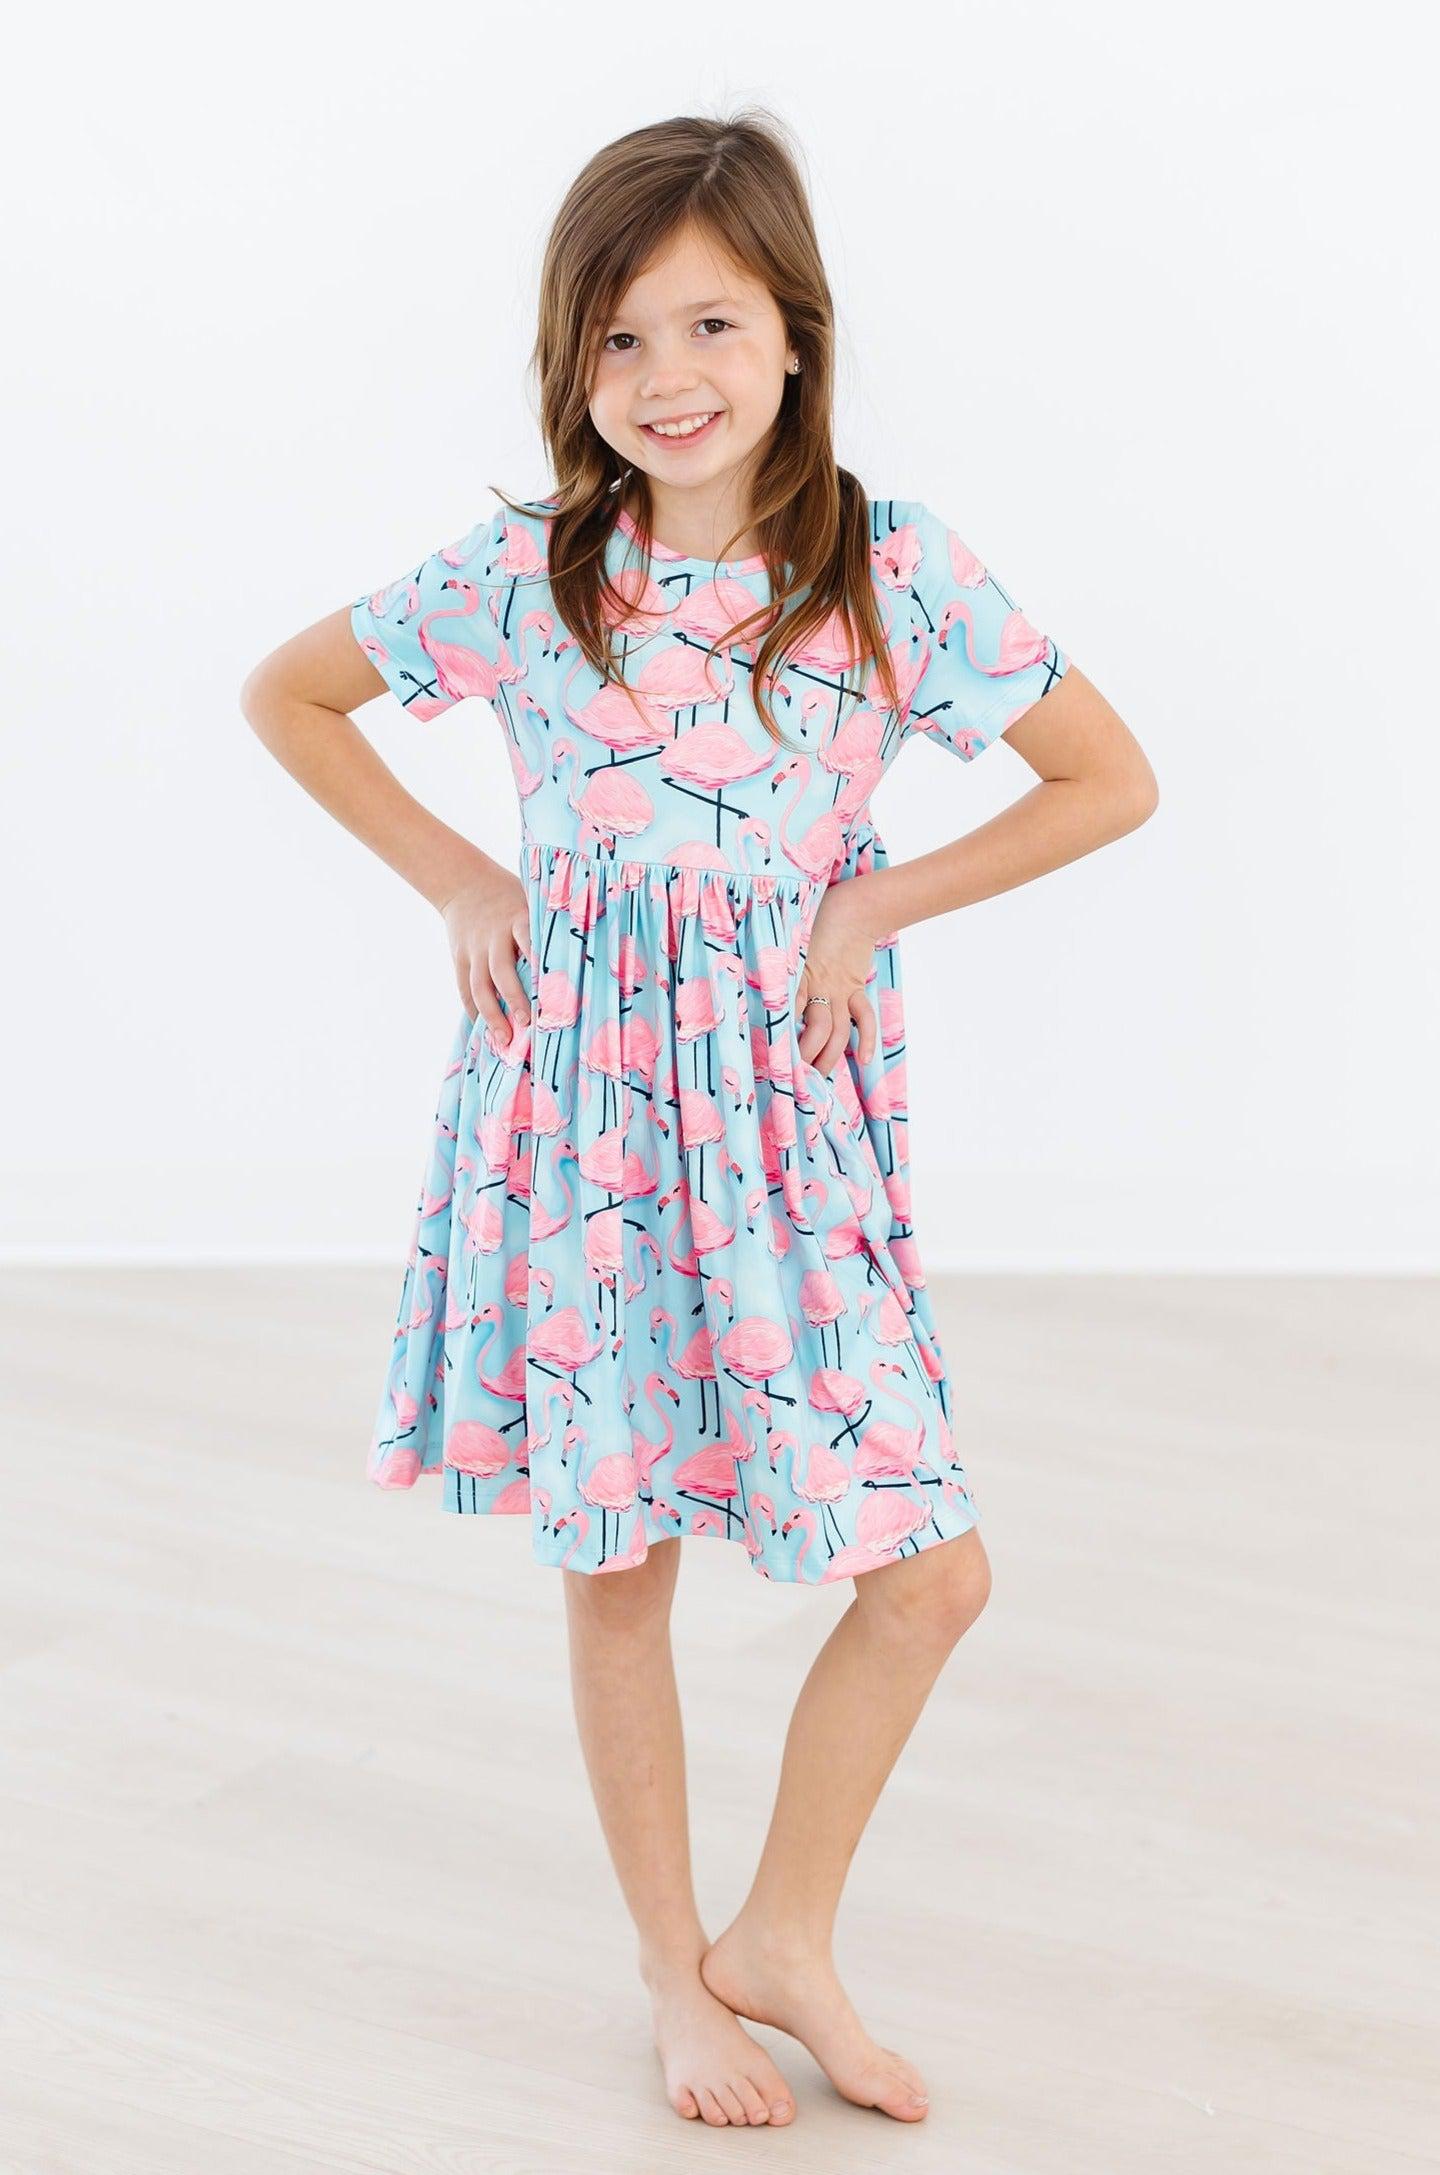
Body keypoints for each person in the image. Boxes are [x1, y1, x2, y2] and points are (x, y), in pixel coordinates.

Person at [241, 108, 1156, 2133]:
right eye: (620, 337)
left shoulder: (888, 568)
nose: (669, 377)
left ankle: (784, 1934)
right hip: (579, 1131)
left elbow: (1108, 779)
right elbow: (288, 693)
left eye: (713, 324)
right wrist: (462, 880)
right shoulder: (529, 574)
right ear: (572, 362)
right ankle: (678, 1969)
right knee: (622, 1562)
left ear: (795, 334)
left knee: (928, 1574)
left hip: (784, 1137)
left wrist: (872, 902)